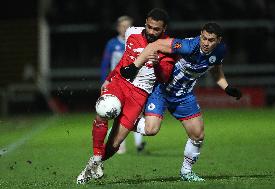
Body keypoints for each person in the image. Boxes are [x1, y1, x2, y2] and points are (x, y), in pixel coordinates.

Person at [77, 8, 175, 184]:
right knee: (103, 110)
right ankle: (97, 158)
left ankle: (92, 164)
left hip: (139, 94)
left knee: (115, 144)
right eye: (150, 26)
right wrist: (108, 79)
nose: (152, 31)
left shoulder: (167, 46)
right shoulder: (132, 32)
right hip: (121, 84)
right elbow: (125, 60)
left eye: (156, 29)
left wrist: (157, 65)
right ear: (145, 22)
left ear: (164, 28)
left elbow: (164, 78)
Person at [134, 22, 242, 182]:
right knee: (150, 130)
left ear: (218, 40)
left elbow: (216, 70)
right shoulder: (187, 46)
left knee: (198, 135)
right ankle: (125, 120)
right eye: (203, 38)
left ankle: (186, 172)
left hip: (183, 95)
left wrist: (226, 88)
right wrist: (134, 66)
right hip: (161, 89)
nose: (205, 43)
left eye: (210, 40)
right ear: (200, 35)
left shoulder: (220, 51)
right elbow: (156, 44)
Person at [100, 15, 146, 154]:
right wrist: (105, 80)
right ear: (117, 28)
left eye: (128, 26)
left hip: (136, 82)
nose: (125, 28)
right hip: (118, 82)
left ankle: (139, 144)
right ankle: (118, 144)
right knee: (117, 112)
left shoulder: (137, 41)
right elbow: (105, 64)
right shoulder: (112, 44)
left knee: (136, 112)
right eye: (122, 26)